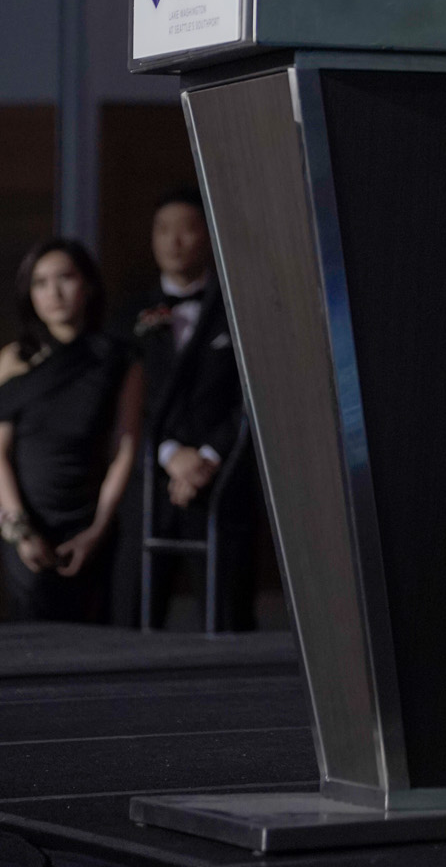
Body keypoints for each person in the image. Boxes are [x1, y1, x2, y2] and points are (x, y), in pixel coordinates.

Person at [113, 188, 256, 631]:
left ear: (208, 235)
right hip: (148, 482)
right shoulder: (128, 314)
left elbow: (249, 398)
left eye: (187, 229)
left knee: (226, 619)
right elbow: (121, 401)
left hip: (219, 481)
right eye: (163, 230)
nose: (174, 241)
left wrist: (207, 458)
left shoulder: (240, 308)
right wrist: (170, 453)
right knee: (134, 618)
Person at [0, 238, 141, 623]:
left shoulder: (118, 358)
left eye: (65, 278)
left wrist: (98, 528)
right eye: (40, 283)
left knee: (90, 635)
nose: (53, 292)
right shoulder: (13, 358)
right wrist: (20, 530)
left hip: (90, 522)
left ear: (88, 285)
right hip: (24, 521)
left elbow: (124, 447)